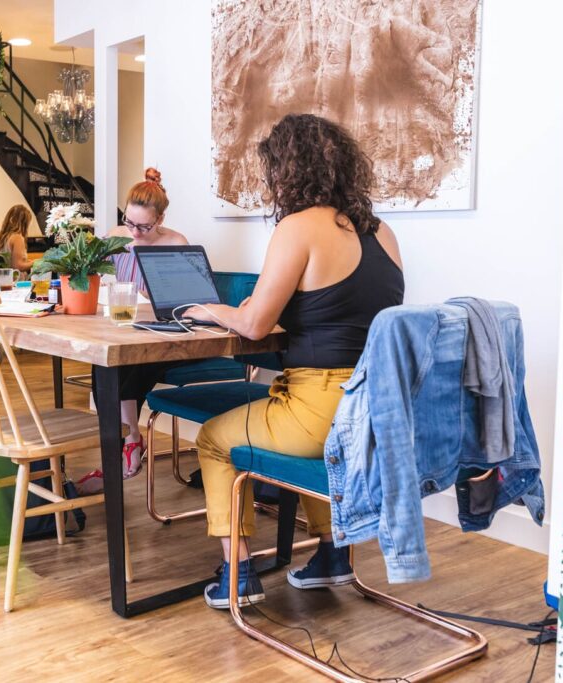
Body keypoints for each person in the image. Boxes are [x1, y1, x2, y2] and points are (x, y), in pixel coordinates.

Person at [183, 114, 405, 609]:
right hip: (371, 407)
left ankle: (238, 572)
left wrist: (214, 310)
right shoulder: (381, 232)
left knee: (215, 439)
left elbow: (257, 324)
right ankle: (333, 556)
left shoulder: (298, 226)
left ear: (288, 169)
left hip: (319, 409)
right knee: (302, 444)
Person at [85, 168, 189, 484]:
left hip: (168, 337)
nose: (135, 232)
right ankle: (128, 441)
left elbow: (186, 304)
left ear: (160, 219)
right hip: (129, 329)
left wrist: (153, 291)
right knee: (102, 367)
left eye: (144, 226)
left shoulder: (176, 243)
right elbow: (91, 273)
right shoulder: (117, 237)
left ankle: (128, 442)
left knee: (123, 371)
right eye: (130, 222)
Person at [0, 204, 36, 273]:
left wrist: (28, 261)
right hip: (16, 281)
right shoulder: (17, 238)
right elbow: (18, 266)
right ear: (24, 223)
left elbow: (10, 260)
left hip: (2, 278)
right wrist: (35, 262)